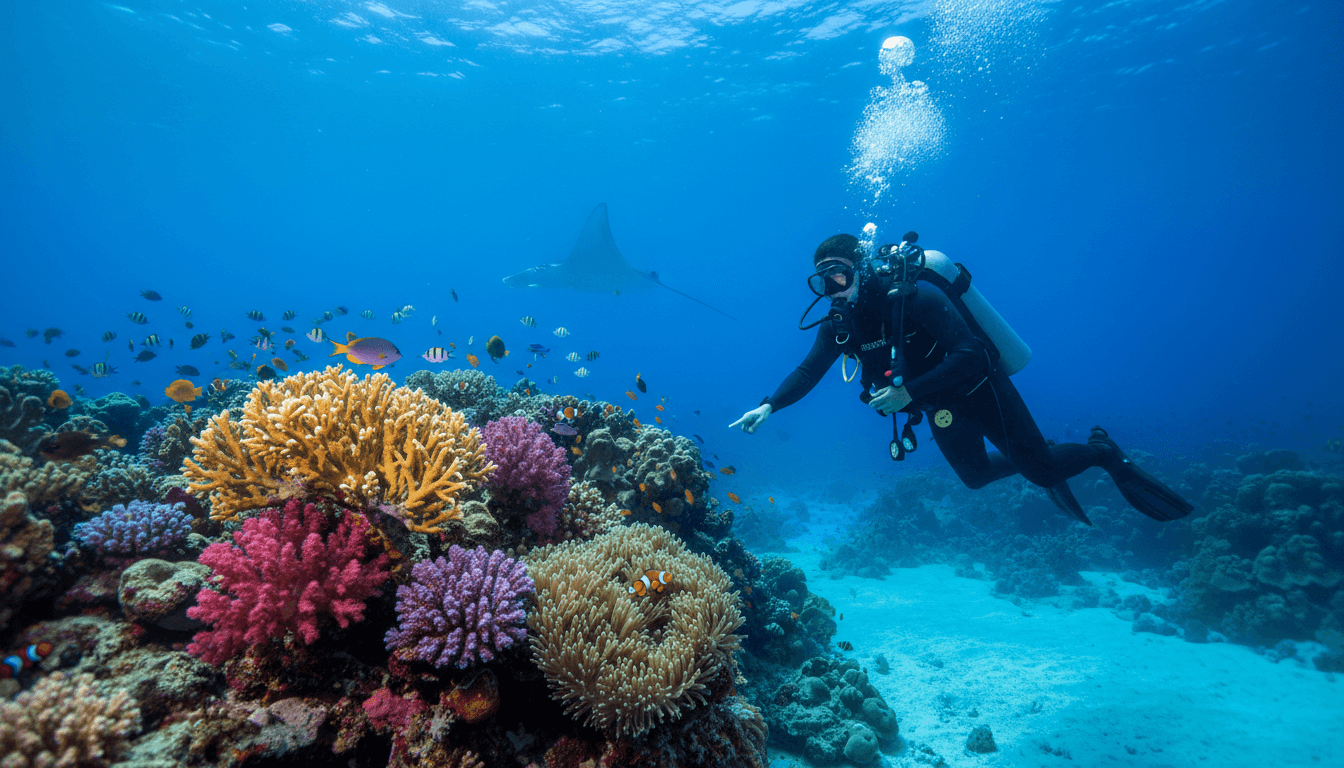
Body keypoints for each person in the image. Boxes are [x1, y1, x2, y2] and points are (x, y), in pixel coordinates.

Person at [730, 232, 1193, 525]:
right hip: (940, 406)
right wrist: (770, 404)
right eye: (822, 282)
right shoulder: (839, 324)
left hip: (980, 389)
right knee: (974, 477)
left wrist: (907, 391)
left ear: (862, 266)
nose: (833, 289)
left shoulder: (912, 297)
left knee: (1044, 471)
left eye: (839, 276)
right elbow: (809, 369)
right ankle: (1035, 455)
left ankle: (1101, 452)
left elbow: (972, 353)